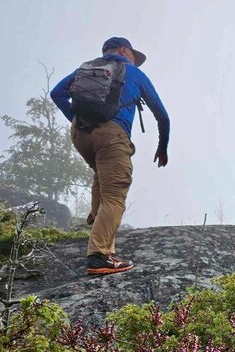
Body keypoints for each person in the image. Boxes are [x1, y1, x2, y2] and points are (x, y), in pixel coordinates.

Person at [51, 37, 170, 275]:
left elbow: (57, 93)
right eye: (134, 56)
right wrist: (162, 146)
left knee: (101, 175)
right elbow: (162, 115)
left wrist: (78, 121)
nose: (135, 60)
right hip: (112, 135)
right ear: (125, 50)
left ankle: (98, 218)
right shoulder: (133, 72)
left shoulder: (86, 68)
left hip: (80, 134)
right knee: (115, 195)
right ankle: (98, 257)